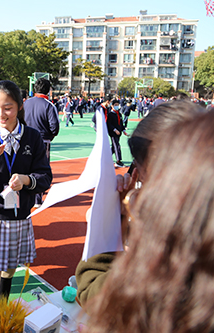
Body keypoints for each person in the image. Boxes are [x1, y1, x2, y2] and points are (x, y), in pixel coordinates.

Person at [83, 104, 214, 332]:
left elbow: (103, 296)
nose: (138, 177)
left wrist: (107, 221)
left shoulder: (180, 244)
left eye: (144, 170)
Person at [75, 100, 202, 308]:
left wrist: (109, 222)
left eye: (142, 175)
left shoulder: (172, 246)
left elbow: (94, 294)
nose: (140, 186)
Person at [0, 80, 53, 312]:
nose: (1, 114)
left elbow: (45, 176)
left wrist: (26, 180)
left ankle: (1, 316)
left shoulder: (32, 137)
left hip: (20, 214)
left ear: (20, 106)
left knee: (9, 271)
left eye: (8, 107)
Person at [23, 78, 60, 206]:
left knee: (25, 167)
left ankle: (26, 197)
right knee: (40, 170)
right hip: (43, 140)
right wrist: (50, 136)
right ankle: (37, 199)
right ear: (49, 90)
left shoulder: (26, 103)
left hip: (25, 139)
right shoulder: (49, 105)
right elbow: (54, 127)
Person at [106, 99, 127, 168]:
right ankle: (118, 161)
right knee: (117, 146)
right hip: (113, 133)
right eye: (115, 105)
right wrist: (115, 130)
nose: (117, 106)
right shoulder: (110, 114)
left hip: (119, 133)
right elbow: (110, 124)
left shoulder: (119, 114)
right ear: (112, 106)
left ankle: (106, 158)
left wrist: (123, 130)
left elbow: (121, 123)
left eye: (117, 105)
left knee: (113, 147)